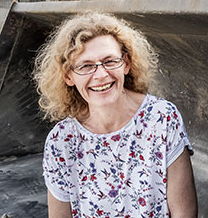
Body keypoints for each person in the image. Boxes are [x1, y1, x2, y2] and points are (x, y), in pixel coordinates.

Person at [34, 12, 197, 217]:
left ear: (126, 63)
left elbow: (185, 214)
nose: (101, 75)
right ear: (68, 76)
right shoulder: (61, 141)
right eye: (86, 66)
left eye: (110, 61)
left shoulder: (162, 118)